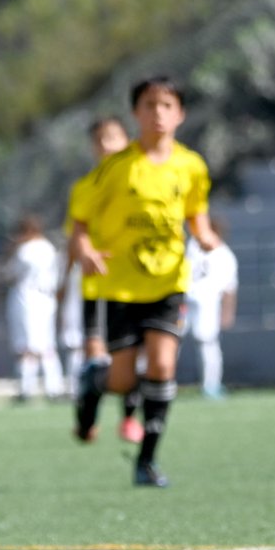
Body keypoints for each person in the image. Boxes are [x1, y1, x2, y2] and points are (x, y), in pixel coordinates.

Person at [70, 76, 219, 488]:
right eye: (150, 105)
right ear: (136, 113)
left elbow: (196, 213)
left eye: (167, 106)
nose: (158, 113)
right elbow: (81, 218)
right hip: (120, 286)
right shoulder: (117, 167)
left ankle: (147, 460)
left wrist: (205, 237)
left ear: (180, 114)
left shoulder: (191, 166)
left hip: (169, 282)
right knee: (121, 381)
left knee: (163, 364)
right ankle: (93, 382)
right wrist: (83, 247)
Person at [58, 117, 143, 440]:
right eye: (100, 140)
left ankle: (129, 418)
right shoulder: (86, 187)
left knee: (130, 356)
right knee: (96, 356)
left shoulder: (140, 181)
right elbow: (74, 237)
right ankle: (88, 418)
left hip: (133, 285)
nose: (107, 145)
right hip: (96, 287)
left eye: (114, 138)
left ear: (127, 140)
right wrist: (65, 279)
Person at [4, 214, 65, 401]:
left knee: (27, 345)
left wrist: (11, 250)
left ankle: (26, 387)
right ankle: (54, 387)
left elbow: (9, 274)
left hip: (27, 297)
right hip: (48, 297)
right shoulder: (50, 248)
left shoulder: (25, 250)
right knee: (47, 343)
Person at [184, 217, 238, 399]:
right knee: (204, 343)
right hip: (195, 300)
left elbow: (229, 288)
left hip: (195, 300)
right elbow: (230, 289)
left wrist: (227, 313)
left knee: (205, 343)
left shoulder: (194, 246)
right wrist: (228, 312)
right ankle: (210, 386)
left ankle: (211, 385)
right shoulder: (224, 254)